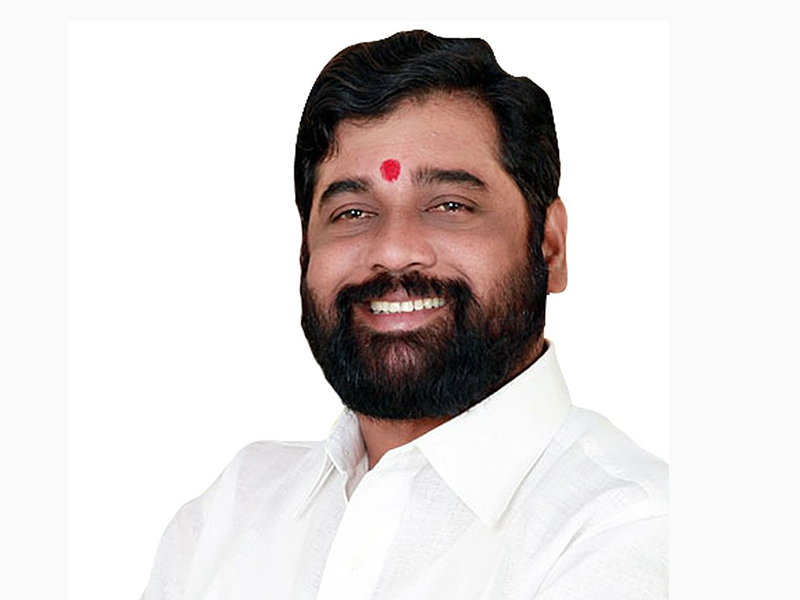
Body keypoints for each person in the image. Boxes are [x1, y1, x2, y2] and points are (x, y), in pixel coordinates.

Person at [141, 30, 668, 600]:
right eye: (353, 212)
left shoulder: (633, 530)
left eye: (450, 205)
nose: (392, 251)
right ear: (304, 251)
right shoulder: (230, 515)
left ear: (551, 247)